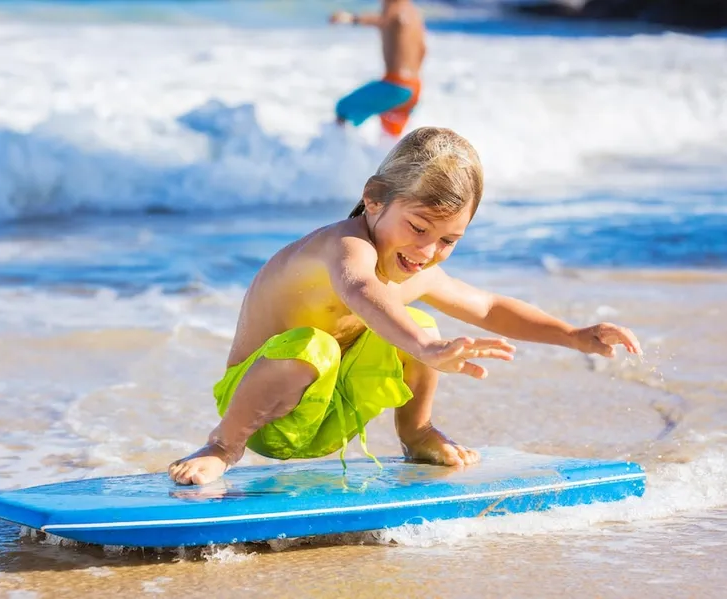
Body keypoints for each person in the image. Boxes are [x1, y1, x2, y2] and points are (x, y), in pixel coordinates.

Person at [168, 127, 642, 486]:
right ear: (374, 199)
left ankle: (417, 433)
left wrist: (573, 335)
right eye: (418, 228)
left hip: (333, 416)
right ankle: (221, 446)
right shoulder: (342, 247)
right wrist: (427, 348)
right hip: (262, 414)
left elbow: (487, 307)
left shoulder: (416, 268)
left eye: (448, 240)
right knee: (318, 345)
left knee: (419, 320)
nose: (428, 251)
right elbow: (361, 290)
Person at [329, 0, 426, 137]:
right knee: (391, 139)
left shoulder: (395, 7)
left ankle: (333, 147)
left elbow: (384, 19)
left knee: (343, 108)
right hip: (414, 87)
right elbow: (423, 50)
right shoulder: (414, 13)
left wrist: (351, 18)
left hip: (396, 86)